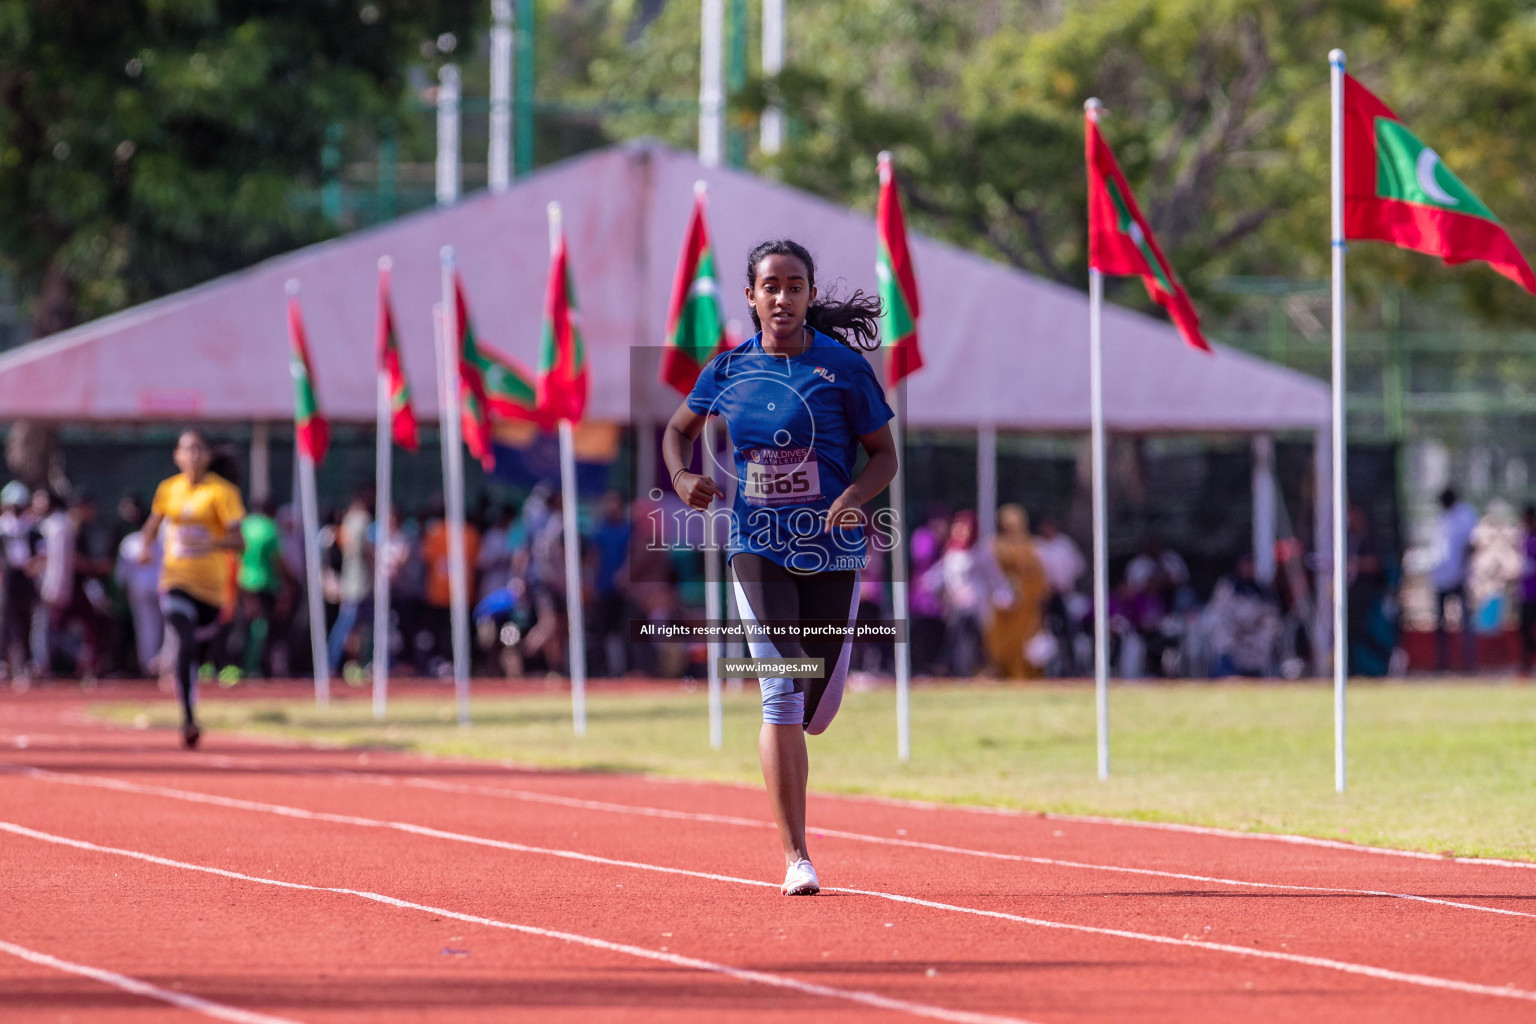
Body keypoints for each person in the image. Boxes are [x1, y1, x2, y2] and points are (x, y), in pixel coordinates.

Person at [663, 239, 896, 897]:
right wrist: (682, 477)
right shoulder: (729, 368)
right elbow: (676, 430)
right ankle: (797, 856)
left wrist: (852, 497)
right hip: (754, 544)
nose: (783, 297)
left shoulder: (843, 368)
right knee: (780, 691)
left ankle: (820, 689)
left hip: (830, 549)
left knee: (813, 709)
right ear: (751, 296)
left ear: (810, 295)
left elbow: (884, 455)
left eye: (795, 285)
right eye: (771, 286)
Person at [139, 429, 246, 748]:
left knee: (197, 651)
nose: (193, 455)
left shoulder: (222, 492)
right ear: (177, 455)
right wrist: (145, 548)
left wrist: (210, 540)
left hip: (212, 590)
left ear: (208, 456)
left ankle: (190, 681)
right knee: (182, 640)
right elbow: (152, 524)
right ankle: (188, 717)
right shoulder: (168, 490)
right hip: (175, 579)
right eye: (187, 449)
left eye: (199, 449)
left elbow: (239, 540)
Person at [986, 504, 1048, 679]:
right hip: (1005, 604)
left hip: (1026, 604)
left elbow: (1038, 577)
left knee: (1025, 641)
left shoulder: (1031, 546)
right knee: (1001, 642)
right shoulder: (996, 545)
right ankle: (1001, 672)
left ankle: (1024, 676)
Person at [234, 499, 287, 678]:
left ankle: (242, 664)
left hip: (244, 581)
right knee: (261, 626)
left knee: (245, 624)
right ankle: (254, 666)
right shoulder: (270, 528)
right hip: (265, 582)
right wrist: (286, 582)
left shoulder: (245, 526)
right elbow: (277, 559)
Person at [327, 489, 374, 675]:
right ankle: (335, 664)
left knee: (351, 626)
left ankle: (337, 664)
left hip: (351, 581)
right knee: (352, 625)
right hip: (359, 583)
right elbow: (364, 552)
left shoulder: (347, 520)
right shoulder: (362, 519)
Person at [1433, 487, 1479, 672]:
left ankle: (1469, 664)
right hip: (1441, 576)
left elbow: (1472, 544)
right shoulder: (1443, 518)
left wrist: (1463, 569)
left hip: (1460, 577)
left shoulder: (1465, 515)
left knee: (1465, 623)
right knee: (1441, 624)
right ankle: (1442, 664)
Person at [0, 482, 40, 681]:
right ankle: (4, 663)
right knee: (5, 621)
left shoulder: (32, 528)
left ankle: (27, 664)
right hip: (7, 578)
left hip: (26, 578)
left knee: (26, 621)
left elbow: (43, 553)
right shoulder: (2, 527)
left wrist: (35, 565)